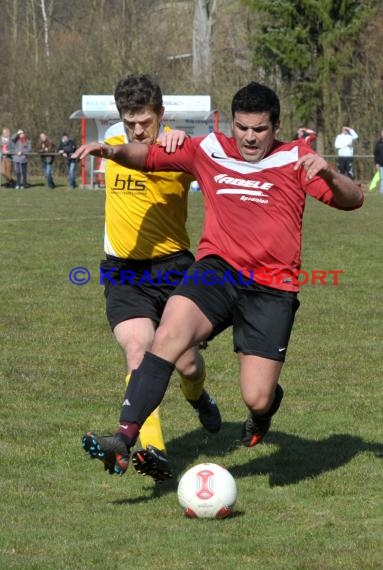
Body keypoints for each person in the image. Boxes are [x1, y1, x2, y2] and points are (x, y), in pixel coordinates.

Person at [73, 81, 363, 477]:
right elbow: (149, 156)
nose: (249, 137)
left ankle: (263, 413)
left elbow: (354, 199)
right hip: (216, 271)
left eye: (259, 129)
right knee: (166, 336)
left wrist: (329, 172)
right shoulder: (210, 149)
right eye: (242, 127)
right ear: (233, 125)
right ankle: (123, 439)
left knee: (257, 397)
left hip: (270, 286)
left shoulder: (298, 158)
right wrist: (112, 151)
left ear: (275, 126)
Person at [79, 74, 221, 481]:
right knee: (138, 352)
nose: (137, 130)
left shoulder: (180, 147)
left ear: (161, 114)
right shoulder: (111, 140)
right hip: (123, 272)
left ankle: (197, 396)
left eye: (145, 121)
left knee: (188, 364)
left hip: (173, 268)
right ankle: (151, 451)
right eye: (130, 122)